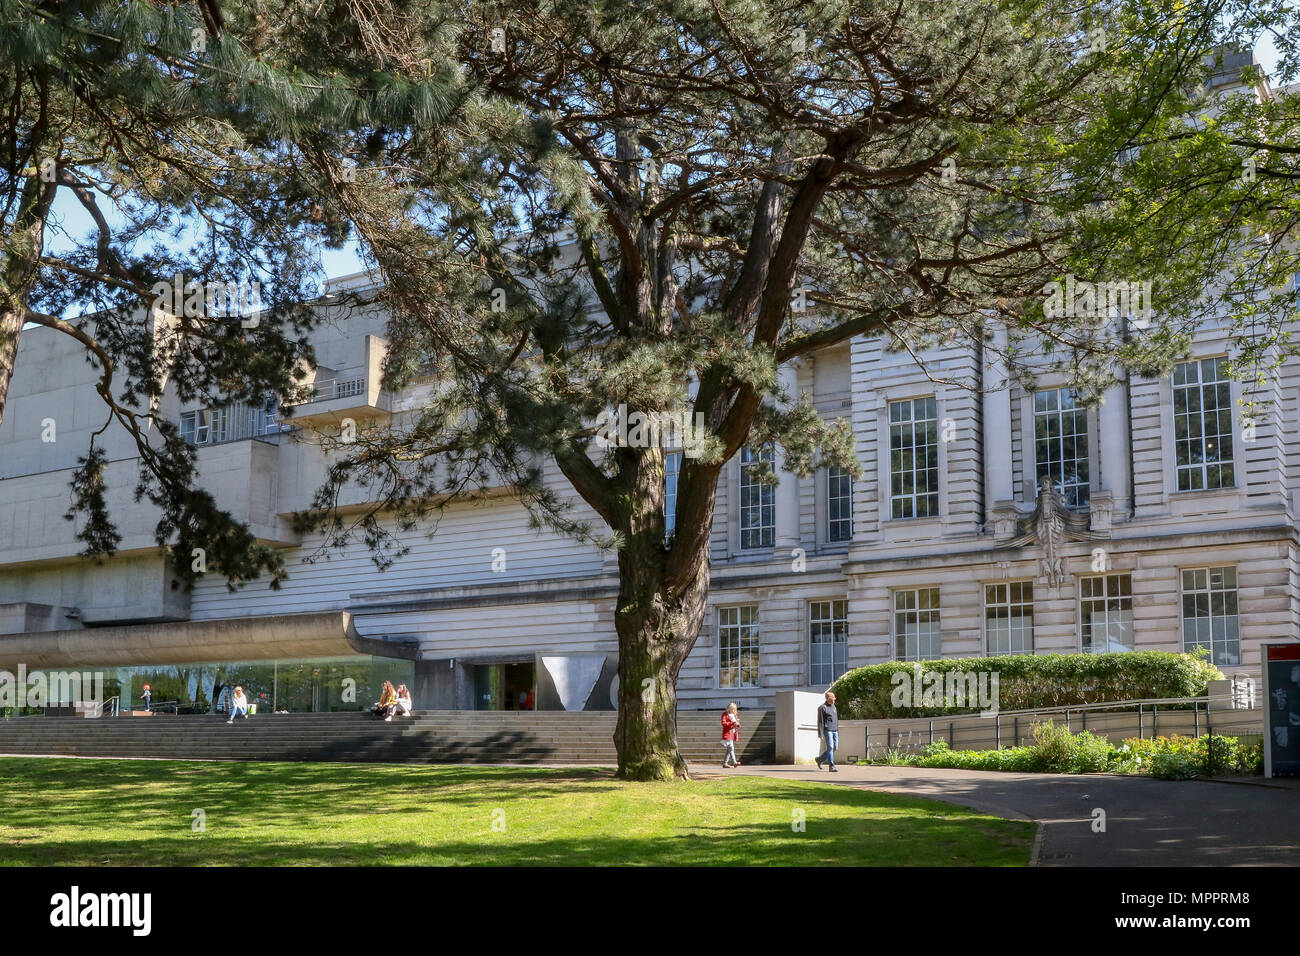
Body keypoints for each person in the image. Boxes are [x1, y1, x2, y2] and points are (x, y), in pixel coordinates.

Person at [816, 691, 839, 771]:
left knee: (835, 747)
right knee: (830, 747)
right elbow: (820, 721)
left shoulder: (834, 707)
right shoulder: (822, 708)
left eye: (834, 698)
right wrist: (820, 733)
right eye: (832, 698)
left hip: (835, 730)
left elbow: (836, 720)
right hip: (827, 730)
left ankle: (820, 759)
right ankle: (831, 766)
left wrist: (837, 730)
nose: (834, 699)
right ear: (827, 698)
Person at [721, 702, 741, 768]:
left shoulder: (735, 715)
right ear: (729, 709)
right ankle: (734, 762)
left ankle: (725, 763)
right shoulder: (725, 715)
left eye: (734, 709)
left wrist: (737, 724)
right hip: (727, 733)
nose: (733, 711)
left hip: (733, 733)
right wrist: (732, 723)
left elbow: (737, 723)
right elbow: (724, 723)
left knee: (729, 749)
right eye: (732, 709)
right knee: (731, 748)